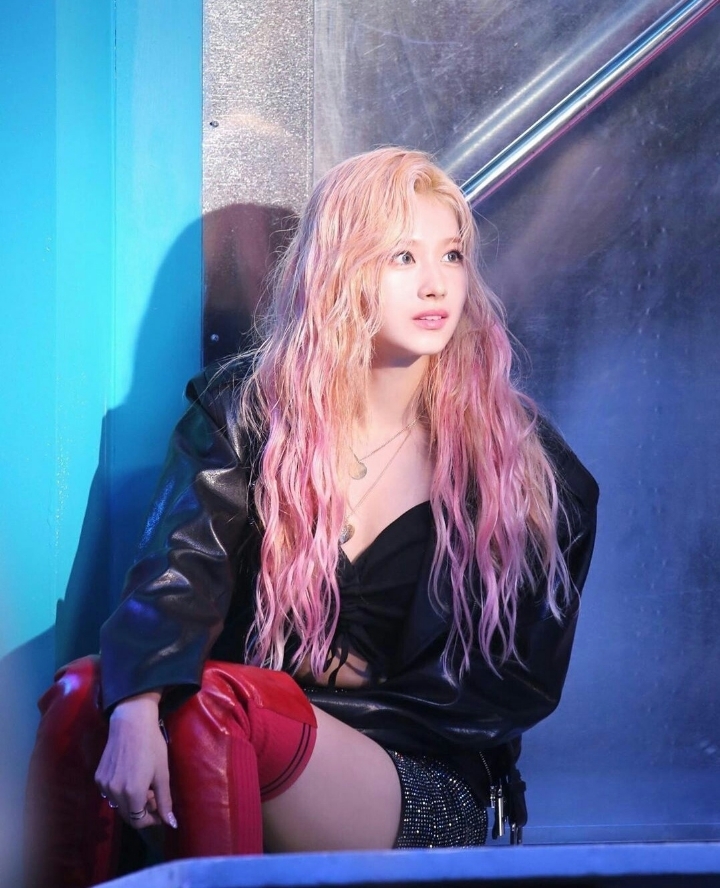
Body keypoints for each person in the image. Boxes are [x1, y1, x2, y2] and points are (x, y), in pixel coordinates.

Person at [27, 147, 598, 883]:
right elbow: (177, 572)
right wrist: (136, 707)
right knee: (84, 695)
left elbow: (516, 680)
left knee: (217, 709)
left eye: (452, 255)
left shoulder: (519, 460)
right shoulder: (252, 412)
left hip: (420, 769)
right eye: (402, 256)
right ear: (340, 269)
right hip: (239, 729)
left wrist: (316, 697)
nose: (436, 283)